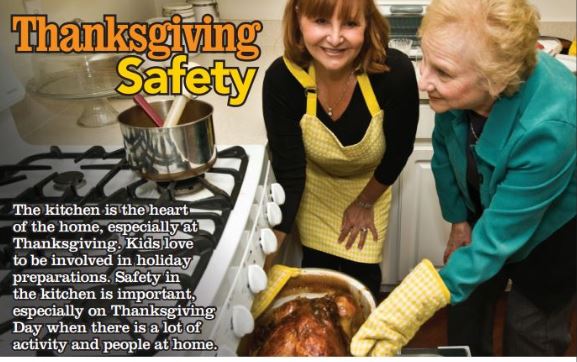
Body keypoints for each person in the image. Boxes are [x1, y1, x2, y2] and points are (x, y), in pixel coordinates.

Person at [351, 0, 576, 356]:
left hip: (550, 235)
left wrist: (415, 301)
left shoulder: (552, 127)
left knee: (530, 330)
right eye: (425, 60)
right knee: (466, 309)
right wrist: (459, 221)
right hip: (484, 206)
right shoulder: (460, 91)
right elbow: (443, 155)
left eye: (442, 72)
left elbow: (499, 237)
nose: (424, 82)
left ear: (497, 81)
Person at [262, 0, 419, 299]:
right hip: (313, 189)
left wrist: (364, 203)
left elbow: (399, 151)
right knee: (317, 282)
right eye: (321, 21)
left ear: (367, 22)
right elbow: (290, 177)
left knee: (361, 286)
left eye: (349, 23)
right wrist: (265, 260)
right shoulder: (282, 80)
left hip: (371, 186)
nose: (335, 39)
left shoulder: (393, 73)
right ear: (298, 17)